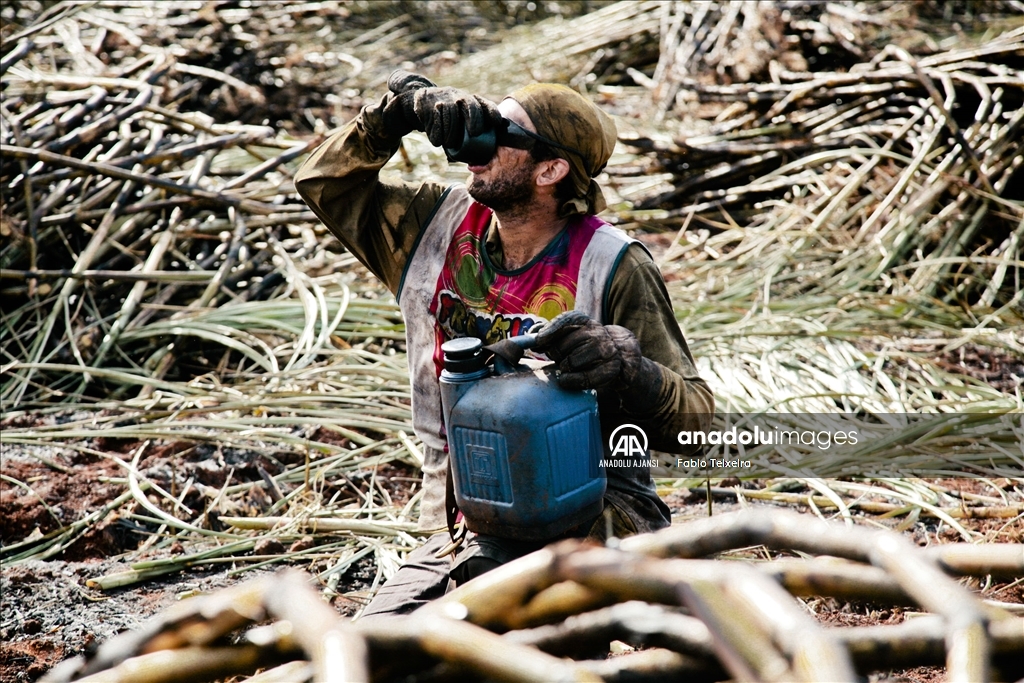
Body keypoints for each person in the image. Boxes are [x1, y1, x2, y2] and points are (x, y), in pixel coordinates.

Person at [295, 71, 713, 618]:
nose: (481, 140)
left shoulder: (612, 264)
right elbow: (324, 184)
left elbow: (701, 429)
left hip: (597, 508)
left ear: (551, 169)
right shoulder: (433, 226)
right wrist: (394, 115)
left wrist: (626, 367)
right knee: (378, 641)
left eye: (503, 131)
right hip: (468, 513)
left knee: (507, 634)